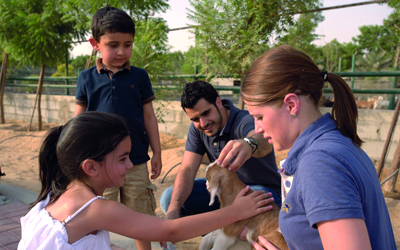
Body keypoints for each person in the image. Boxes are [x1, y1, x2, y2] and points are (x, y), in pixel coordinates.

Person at [17, 111, 271, 250]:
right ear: (91, 167)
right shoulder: (97, 208)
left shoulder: (59, 194)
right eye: (123, 158)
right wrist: (236, 211)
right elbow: (170, 231)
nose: (130, 165)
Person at [240, 45, 396, 250]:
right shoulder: (337, 144)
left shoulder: (320, 163)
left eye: (259, 117)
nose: (257, 129)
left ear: (291, 105)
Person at [74, 7, 161, 250]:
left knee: (139, 216)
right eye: (113, 45)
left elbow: (149, 118)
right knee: (97, 216)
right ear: (95, 44)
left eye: (128, 44)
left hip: (135, 162)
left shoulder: (140, 77)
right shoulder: (86, 78)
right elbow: (78, 121)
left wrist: (158, 153)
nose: (122, 51)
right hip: (99, 165)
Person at [160, 80, 281, 221]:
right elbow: (187, 169)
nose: (203, 123)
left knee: (255, 202)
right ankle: (214, 238)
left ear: (218, 103)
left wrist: (249, 143)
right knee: (169, 199)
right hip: (224, 194)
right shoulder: (197, 129)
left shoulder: (244, 120)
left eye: (206, 113)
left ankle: (226, 237)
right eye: (195, 119)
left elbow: (263, 138)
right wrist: (173, 209)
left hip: (260, 192)